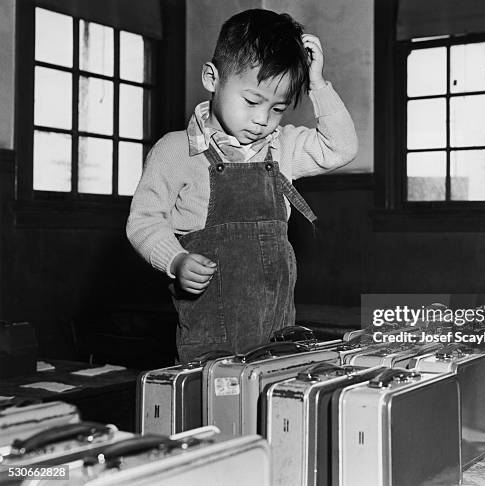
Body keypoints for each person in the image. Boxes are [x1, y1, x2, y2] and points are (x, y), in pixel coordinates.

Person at [126, 9, 358, 363]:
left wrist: (318, 84)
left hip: (278, 340)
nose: (262, 119)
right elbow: (143, 221)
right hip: (209, 347)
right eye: (251, 101)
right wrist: (176, 259)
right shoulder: (176, 150)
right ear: (211, 78)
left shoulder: (281, 147)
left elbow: (341, 147)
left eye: (277, 108)